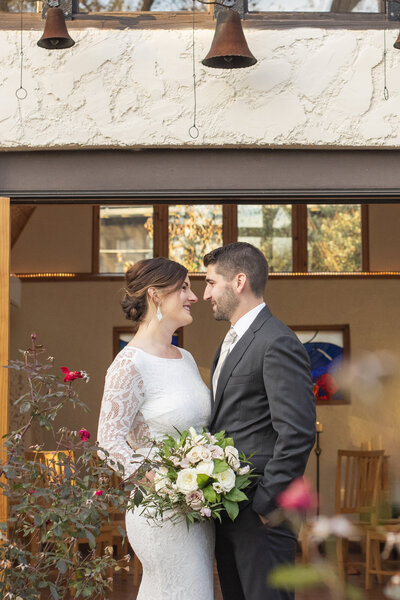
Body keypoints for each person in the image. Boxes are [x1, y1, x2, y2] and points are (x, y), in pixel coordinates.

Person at [203, 242, 316, 600]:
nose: (205, 294)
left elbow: (297, 432)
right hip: (231, 513)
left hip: (261, 516)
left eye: (210, 283)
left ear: (239, 281)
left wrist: (267, 505)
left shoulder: (277, 340)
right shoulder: (229, 343)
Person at [97, 257, 214, 600]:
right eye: (184, 288)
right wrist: (167, 484)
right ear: (155, 295)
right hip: (160, 511)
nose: (193, 297)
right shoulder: (129, 364)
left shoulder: (187, 358)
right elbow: (108, 442)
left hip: (197, 510)